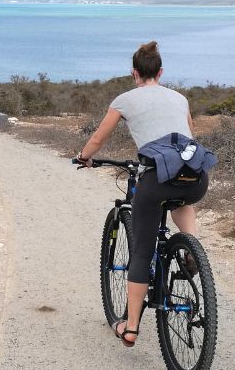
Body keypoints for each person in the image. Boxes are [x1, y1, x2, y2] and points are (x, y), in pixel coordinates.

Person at [76, 41, 211, 347]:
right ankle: (191, 248)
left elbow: (98, 138)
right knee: (182, 199)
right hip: (195, 176)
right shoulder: (180, 98)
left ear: (134, 73)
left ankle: (132, 326)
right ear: (160, 72)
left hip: (155, 180)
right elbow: (189, 134)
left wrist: (84, 156)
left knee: (142, 251)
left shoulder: (124, 99)